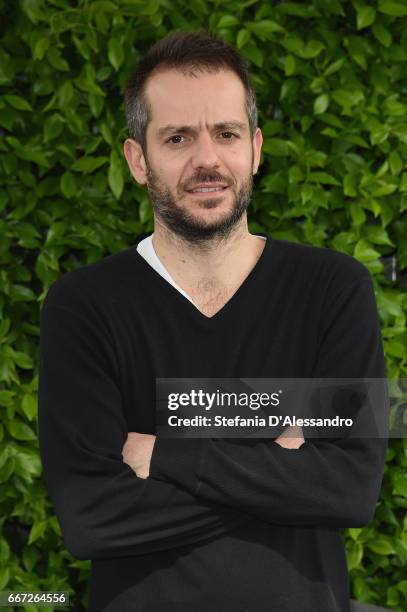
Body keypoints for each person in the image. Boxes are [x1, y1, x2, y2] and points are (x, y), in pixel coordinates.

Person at [38, 30, 388, 612]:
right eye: (177, 137)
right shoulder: (84, 306)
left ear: (254, 148)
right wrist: (281, 473)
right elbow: (91, 518)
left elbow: (350, 488)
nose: (207, 159)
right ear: (138, 160)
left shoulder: (332, 289)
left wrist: (168, 455)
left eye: (225, 134)